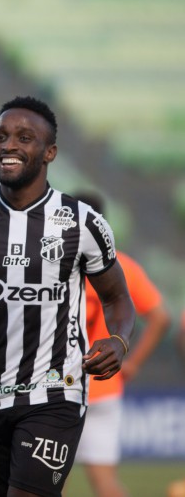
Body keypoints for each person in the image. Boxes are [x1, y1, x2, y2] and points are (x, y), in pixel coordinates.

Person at [0, 96, 136, 497]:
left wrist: (119, 340)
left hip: (55, 392)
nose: (8, 145)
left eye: (24, 138)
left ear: (50, 153)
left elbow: (118, 299)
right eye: (0, 137)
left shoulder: (81, 222)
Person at [71, 192, 171, 497]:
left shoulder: (56, 266)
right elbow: (160, 317)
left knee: (34, 482)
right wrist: (131, 360)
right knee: (105, 484)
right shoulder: (121, 266)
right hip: (105, 385)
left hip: (60, 388)